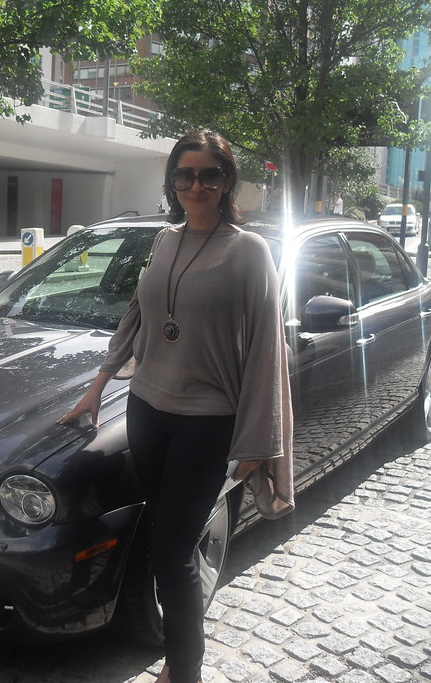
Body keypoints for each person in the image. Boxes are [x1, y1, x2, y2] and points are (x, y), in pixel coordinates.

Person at [58, 129, 293, 683]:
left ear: (226, 181)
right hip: (146, 410)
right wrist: (99, 386)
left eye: (209, 174)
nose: (196, 185)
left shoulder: (249, 252)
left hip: (205, 424)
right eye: (185, 174)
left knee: (171, 554)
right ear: (172, 181)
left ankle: (184, 671)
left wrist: (259, 441)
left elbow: (267, 351)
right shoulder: (164, 241)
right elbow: (136, 317)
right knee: (163, 540)